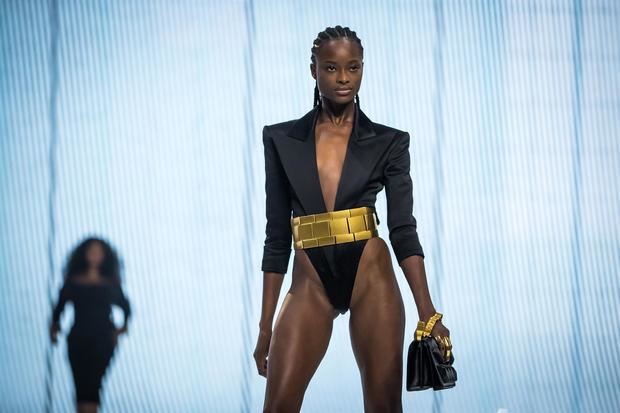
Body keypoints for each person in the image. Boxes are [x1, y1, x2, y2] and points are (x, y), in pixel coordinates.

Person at [253, 25, 452, 412]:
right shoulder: (280, 140)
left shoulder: (390, 142)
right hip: (310, 281)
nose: (343, 78)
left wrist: (428, 313)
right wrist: (264, 329)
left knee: (383, 407)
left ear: (362, 68)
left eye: (353, 67)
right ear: (313, 70)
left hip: (369, 272)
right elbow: (276, 237)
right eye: (331, 68)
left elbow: (403, 230)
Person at [50, 237, 131, 413]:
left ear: (105, 256)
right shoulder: (74, 281)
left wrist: (122, 328)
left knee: (94, 384)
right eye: (91, 251)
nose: (95, 256)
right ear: (83, 254)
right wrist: (54, 328)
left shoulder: (110, 283)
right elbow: (59, 307)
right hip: (78, 339)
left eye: (98, 252)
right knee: (80, 385)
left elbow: (126, 307)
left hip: (103, 340)